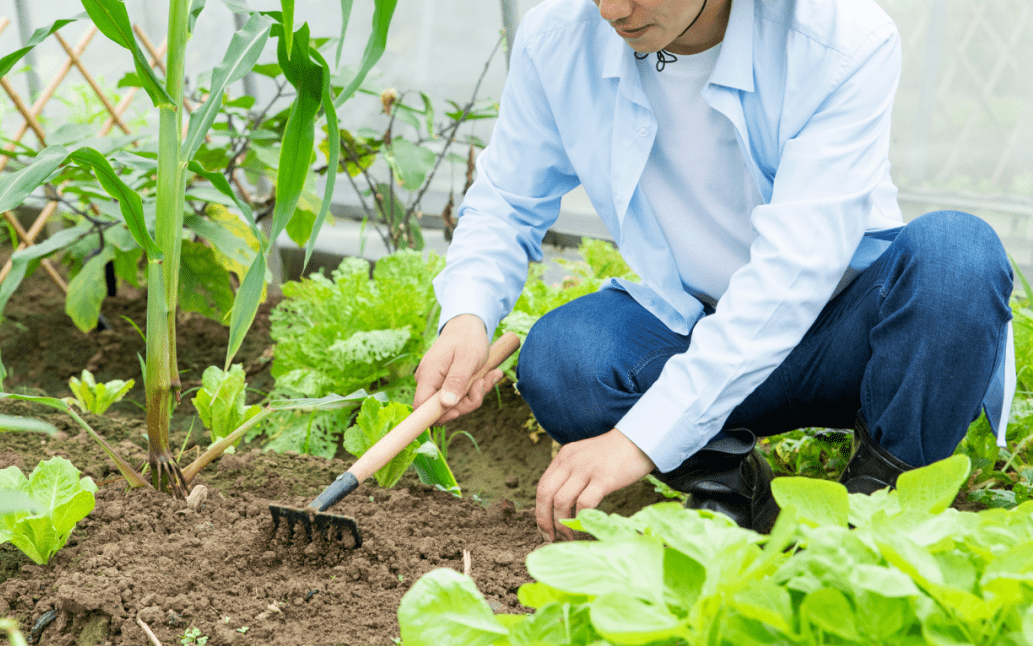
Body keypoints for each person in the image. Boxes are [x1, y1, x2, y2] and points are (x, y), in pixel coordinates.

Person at [413, 0, 1015, 542]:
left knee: (958, 257)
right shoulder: (559, 36)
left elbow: (794, 276)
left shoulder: (840, 41)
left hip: (847, 337)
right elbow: (506, 200)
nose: (612, 11)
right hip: (699, 323)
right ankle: (738, 493)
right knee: (565, 357)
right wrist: (466, 318)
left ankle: (869, 523)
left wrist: (640, 439)